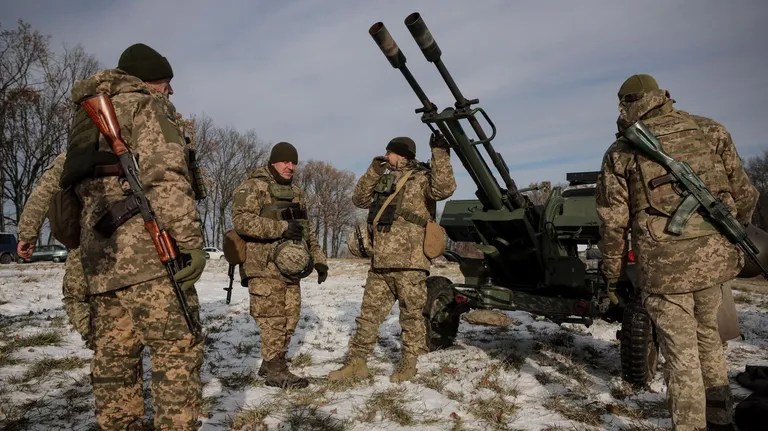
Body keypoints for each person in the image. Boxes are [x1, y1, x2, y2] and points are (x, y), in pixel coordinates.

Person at [596, 74, 758, 431]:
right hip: (713, 262)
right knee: (709, 339)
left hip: (664, 269)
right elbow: (745, 194)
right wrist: (728, 232)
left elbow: (612, 224)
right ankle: (720, 419)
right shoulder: (710, 130)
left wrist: (611, 274)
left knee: (681, 355)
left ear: (625, 104)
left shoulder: (621, 152)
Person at [62, 43, 206, 430]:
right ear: (148, 80)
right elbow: (166, 177)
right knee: (177, 352)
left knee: (114, 364)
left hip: (101, 264)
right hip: (148, 257)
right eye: (165, 81)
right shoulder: (148, 106)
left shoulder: (84, 120)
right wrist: (190, 242)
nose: (170, 91)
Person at [328, 132, 456, 383]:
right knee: (368, 315)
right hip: (380, 261)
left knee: (411, 315)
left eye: (390, 153)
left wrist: (440, 153)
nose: (386, 156)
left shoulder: (422, 179)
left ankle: (409, 363)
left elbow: (444, 188)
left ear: (402, 155)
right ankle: (357, 363)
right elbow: (359, 198)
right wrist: (374, 170)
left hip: (410, 262)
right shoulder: (383, 180)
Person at [231, 141, 328, 389]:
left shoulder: (297, 193)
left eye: (294, 162)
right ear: (273, 161)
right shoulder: (253, 186)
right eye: (285, 161)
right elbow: (242, 221)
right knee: (272, 318)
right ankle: (276, 370)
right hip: (262, 266)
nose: (290, 166)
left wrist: (318, 259)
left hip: (290, 267)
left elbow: (307, 230)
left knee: (290, 317)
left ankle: (271, 361)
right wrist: (281, 228)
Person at [16, 153, 89, 343]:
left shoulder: (79, 148)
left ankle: (106, 348)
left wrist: (27, 234)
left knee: (76, 298)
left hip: (88, 240)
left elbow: (44, 192)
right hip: (144, 241)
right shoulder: (147, 137)